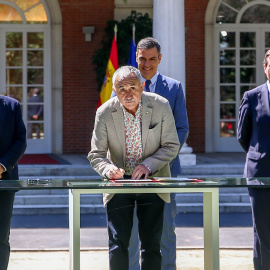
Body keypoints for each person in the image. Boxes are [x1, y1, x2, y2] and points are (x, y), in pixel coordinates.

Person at [88, 65, 180, 270]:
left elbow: (171, 145)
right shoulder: (104, 112)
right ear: (114, 90)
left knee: (151, 245)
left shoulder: (161, 105)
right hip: (118, 185)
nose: (127, 93)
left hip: (152, 180)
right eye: (121, 88)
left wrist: (148, 165)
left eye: (132, 87)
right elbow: (96, 154)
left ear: (143, 85)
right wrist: (108, 169)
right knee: (117, 243)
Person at [111, 37, 189, 270]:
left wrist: (156, 161)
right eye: (142, 59)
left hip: (164, 172)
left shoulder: (173, 88)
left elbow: (181, 128)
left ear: (160, 59)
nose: (147, 64)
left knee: (165, 230)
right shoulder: (122, 86)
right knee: (131, 231)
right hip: (128, 174)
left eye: (152, 59)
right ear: (136, 58)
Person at [237, 49, 270, 270]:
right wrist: (259, 153)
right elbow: (242, 135)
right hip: (260, 174)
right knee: (263, 232)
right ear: (265, 67)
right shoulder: (252, 96)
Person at [0, 95, 27, 270]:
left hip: (4, 183)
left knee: (1, 238)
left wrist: (2, 166)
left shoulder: (12, 105)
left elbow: (20, 140)